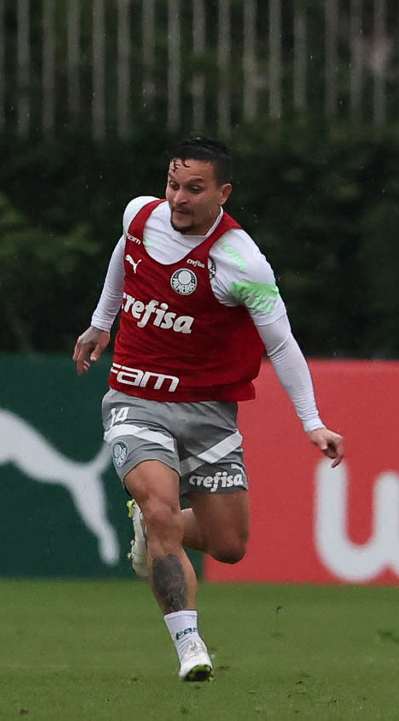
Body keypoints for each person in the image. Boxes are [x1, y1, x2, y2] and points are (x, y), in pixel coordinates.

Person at [72, 136, 345, 681]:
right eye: (173, 185)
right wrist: (103, 321)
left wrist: (312, 421)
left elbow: (281, 345)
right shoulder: (139, 215)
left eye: (194, 189)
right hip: (136, 397)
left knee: (229, 545)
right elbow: (124, 255)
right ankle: (189, 644)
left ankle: (152, 526)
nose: (178, 198)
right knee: (161, 508)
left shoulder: (241, 261)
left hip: (208, 412)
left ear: (224, 192)